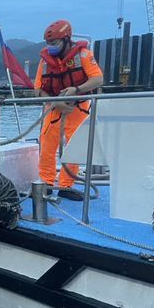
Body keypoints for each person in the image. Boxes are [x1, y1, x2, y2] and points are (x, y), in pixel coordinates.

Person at [34, 19, 104, 201]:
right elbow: (38, 89)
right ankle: (47, 183)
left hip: (78, 106)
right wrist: (56, 102)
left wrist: (76, 90)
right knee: (47, 145)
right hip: (54, 107)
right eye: (48, 43)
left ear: (66, 39)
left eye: (54, 43)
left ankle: (67, 185)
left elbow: (97, 79)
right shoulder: (44, 62)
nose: (51, 47)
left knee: (74, 145)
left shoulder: (83, 55)